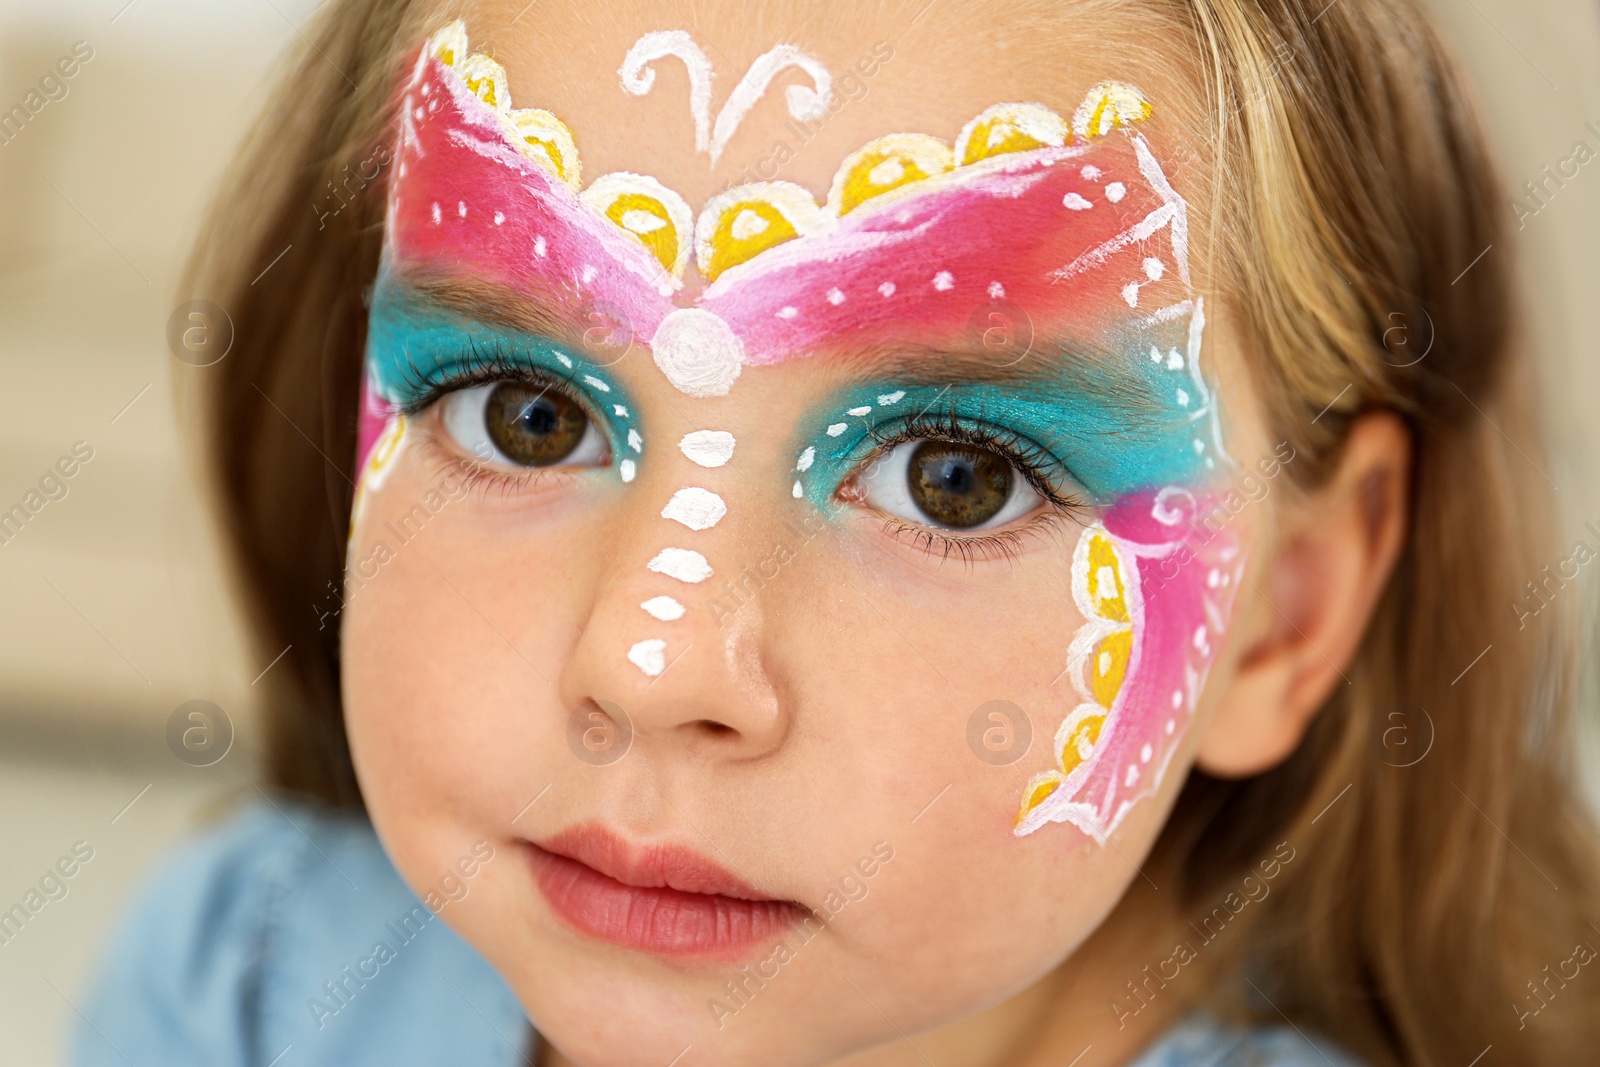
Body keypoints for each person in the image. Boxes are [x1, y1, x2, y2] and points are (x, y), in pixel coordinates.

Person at [72, 1, 1600, 1064]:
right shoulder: (251, 980)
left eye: (959, 477)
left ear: (1287, 612)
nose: (655, 663)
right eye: (526, 410)